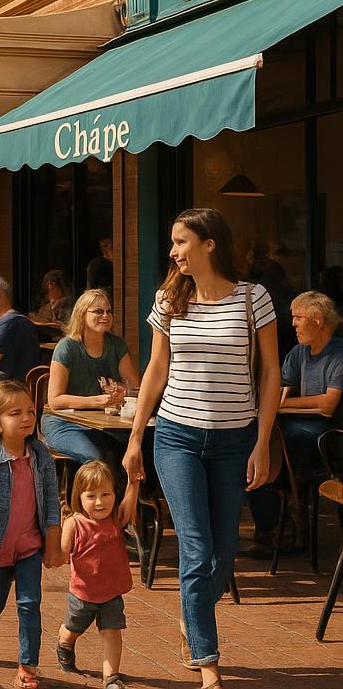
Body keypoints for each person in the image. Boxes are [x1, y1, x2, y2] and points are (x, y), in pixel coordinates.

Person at [123, 207, 279, 687]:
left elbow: (271, 373)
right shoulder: (169, 299)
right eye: (172, 243)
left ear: (210, 243)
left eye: (181, 241)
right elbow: (155, 370)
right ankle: (208, 663)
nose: (173, 252)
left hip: (235, 440)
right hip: (177, 437)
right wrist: (136, 438)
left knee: (224, 555)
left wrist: (263, 443)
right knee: (195, 549)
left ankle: (193, 622)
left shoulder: (254, 299)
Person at [0, 380, 62, 687]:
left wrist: (53, 545)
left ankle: (27, 669)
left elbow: (52, 503)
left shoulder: (41, 456)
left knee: (30, 604)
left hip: (31, 545)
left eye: (30, 410)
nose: (27, 418)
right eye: (15, 413)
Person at [248, 290, 343, 558]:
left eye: (299, 317)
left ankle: (285, 516)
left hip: (331, 437)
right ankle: (274, 527)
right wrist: (274, 406)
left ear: (319, 320)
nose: (293, 323)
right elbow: (280, 393)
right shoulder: (297, 353)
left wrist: (278, 407)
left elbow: (328, 406)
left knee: (286, 439)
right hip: (296, 430)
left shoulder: (339, 354)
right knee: (257, 444)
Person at [55, 461, 137, 689]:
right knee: (73, 629)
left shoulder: (116, 519)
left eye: (106, 494)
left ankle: (111, 678)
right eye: (91, 496)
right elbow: (61, 555)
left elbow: (130, 500)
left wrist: (134, 478)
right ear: (79, 497)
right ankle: (64, 643)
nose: (100, 502)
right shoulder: (74, 523)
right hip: (82, 594)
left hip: (112, 592)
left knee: (112, 633)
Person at [41, 290, 140, 466]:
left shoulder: (116, 345)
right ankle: (88, 493)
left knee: (142, 447)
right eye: (98, 311)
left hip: (105, 423)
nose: (105, 315)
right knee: (95, 457)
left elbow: (136, 388)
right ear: (82, 314)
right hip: (65, 423)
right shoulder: (67, 347)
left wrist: (122, 393)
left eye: (109, 311)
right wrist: (96, 402)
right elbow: (55, 400)